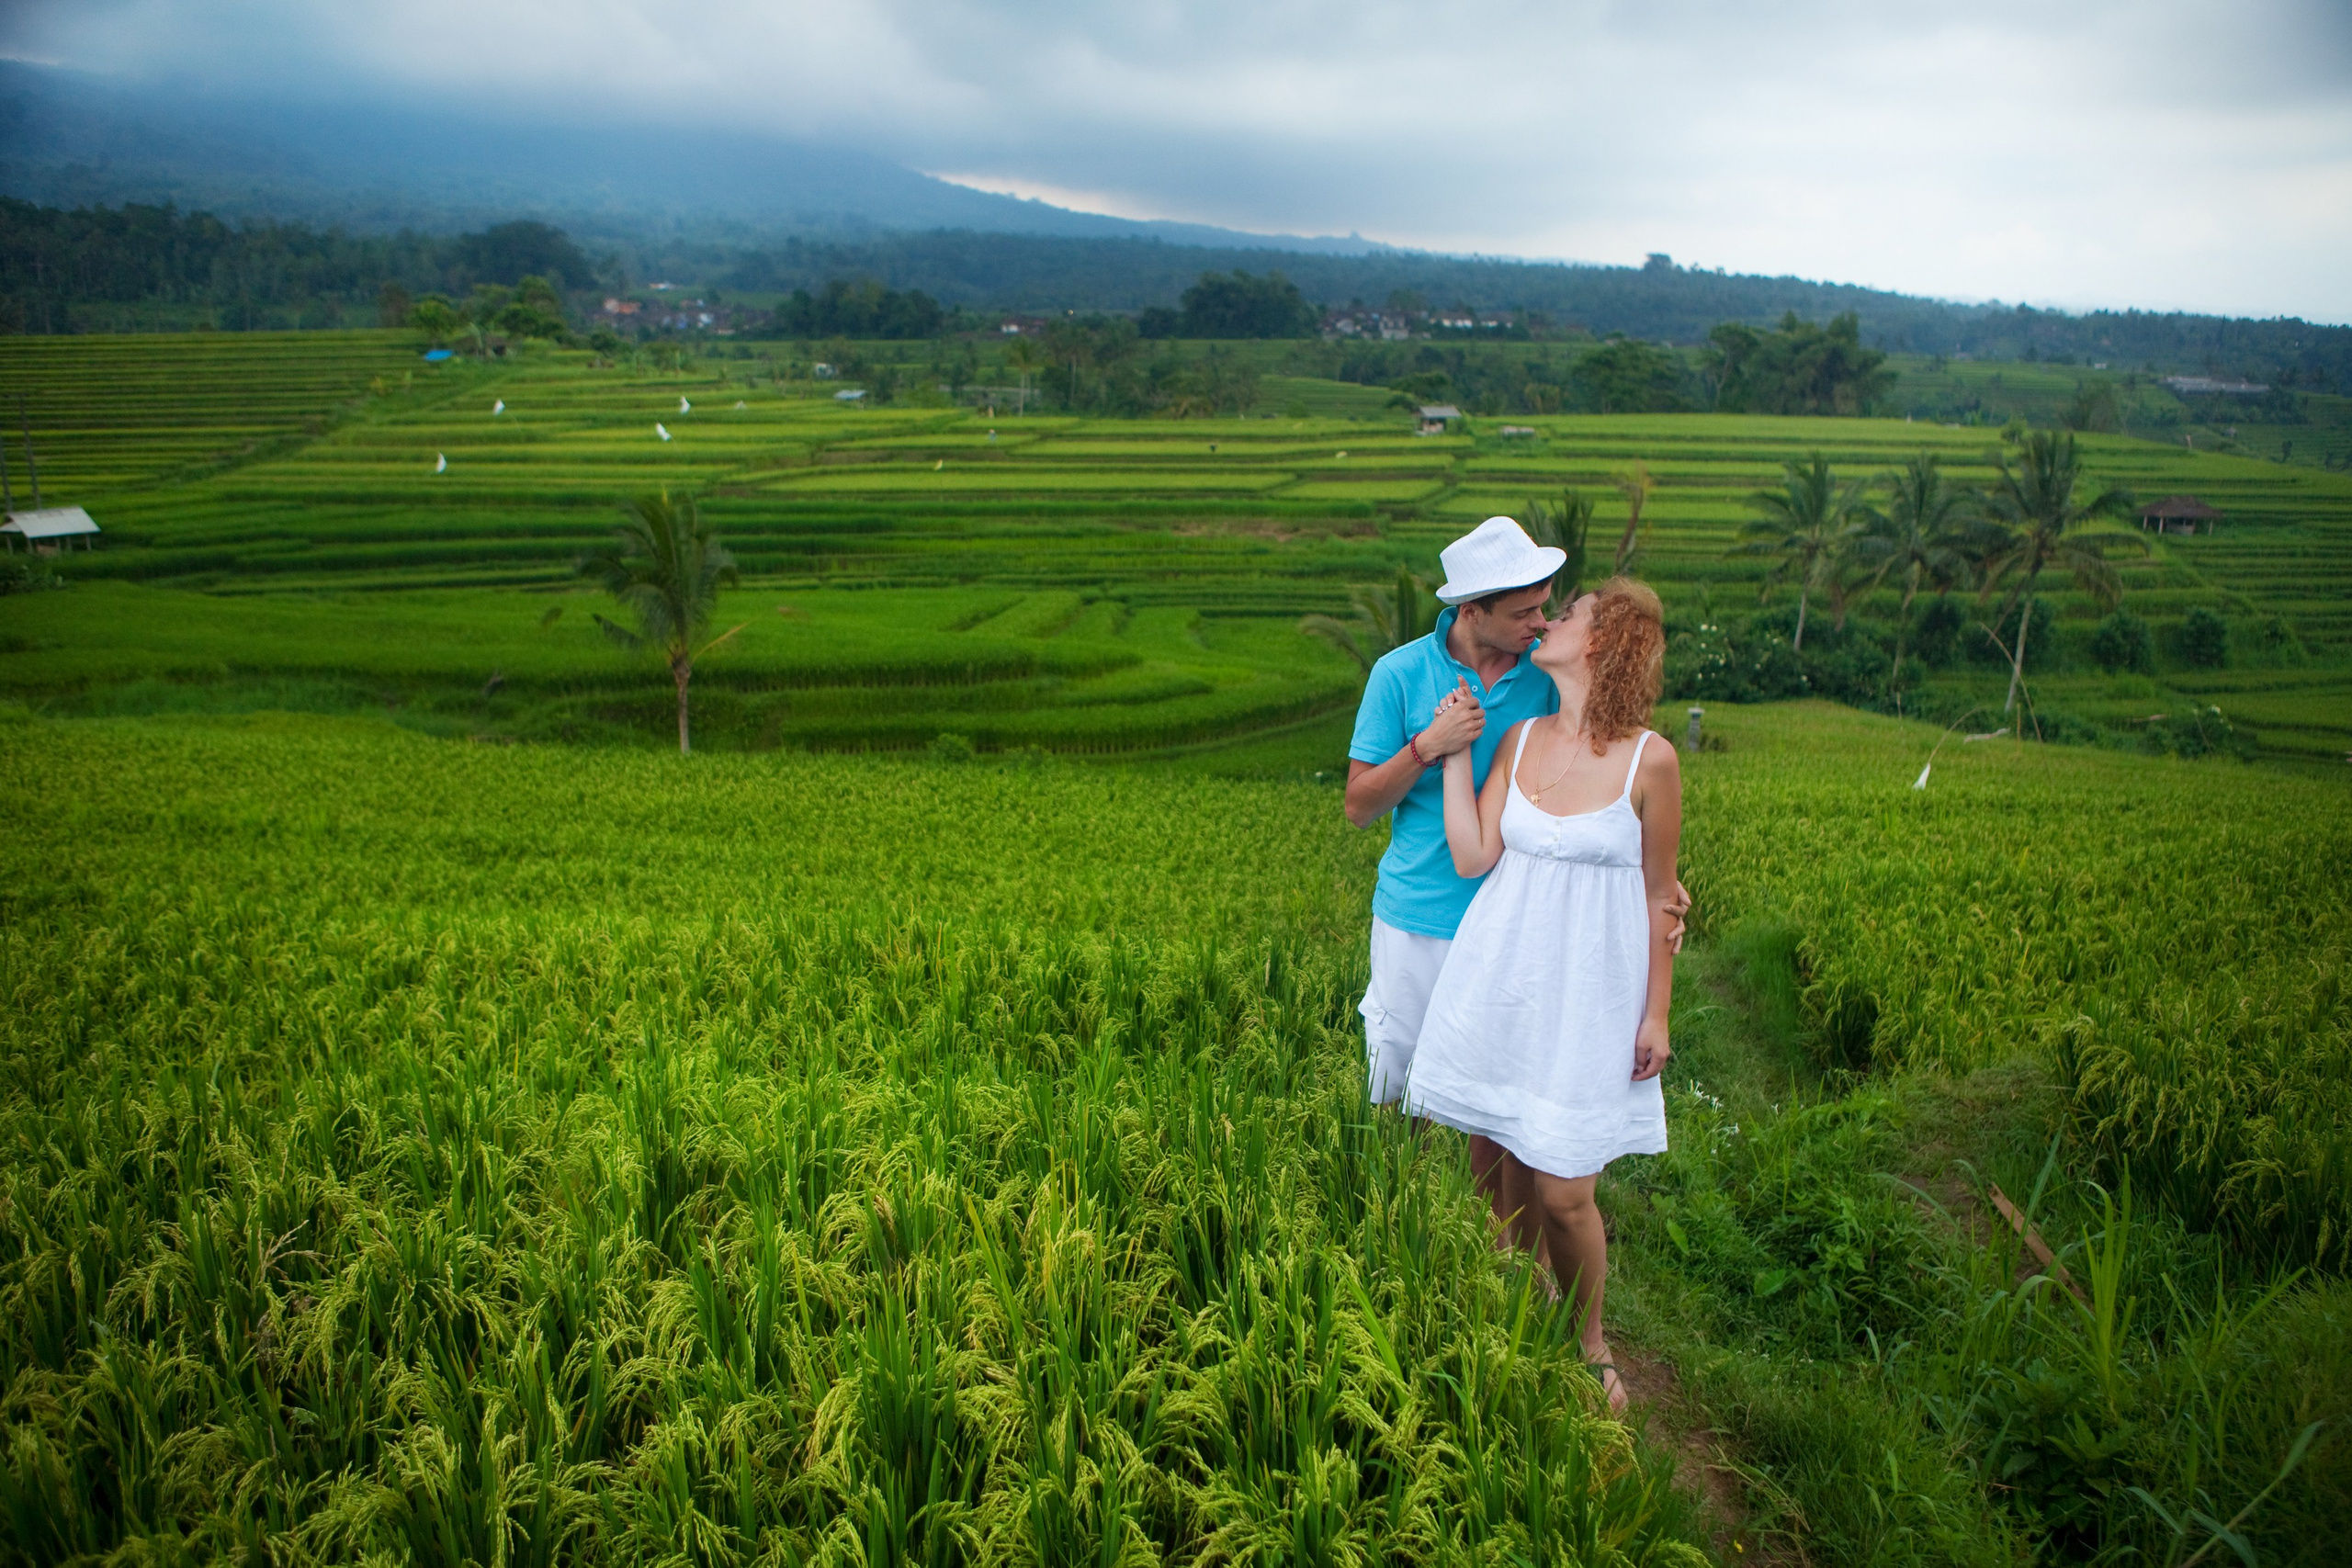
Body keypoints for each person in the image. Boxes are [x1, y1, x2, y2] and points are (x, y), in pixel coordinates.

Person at [1344, 521, 1686, 1250]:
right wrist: (1428, 749)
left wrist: (1653, 897)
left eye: (1549, 609)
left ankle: (1501, 1260)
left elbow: (1612, 766)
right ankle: (1392, 1239)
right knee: (1398, 1095)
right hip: (1418, 917)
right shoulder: (1400, 675)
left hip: (1515, 932)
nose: (1541, 623)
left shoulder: (1545, 676)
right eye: (1527, 611)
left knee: (1495, 1119)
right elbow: (1359, 805)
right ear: (1473, 610)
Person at [1405, 577, 1681, 1414]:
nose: (1550, 621)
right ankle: (1524, 1307)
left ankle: (1589, 1340)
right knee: (1498, 1173)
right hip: (1504, 984)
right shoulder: (1520, 737)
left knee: (1565, 1191)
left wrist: (1657, 1010)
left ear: (1602, 644)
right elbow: (1473, 854)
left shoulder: (1652, 759)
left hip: (1589, 1001)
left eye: (1570, 615)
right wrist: (1456, 757)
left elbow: (1659, 894)